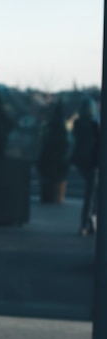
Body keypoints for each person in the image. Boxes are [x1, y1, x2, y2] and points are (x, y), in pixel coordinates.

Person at [71, 97, 100, 236]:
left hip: (82, 163)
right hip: (92, 164)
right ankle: (87, 224)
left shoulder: (77, 125)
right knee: (92, 195)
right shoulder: (93, 126)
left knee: (92, 194)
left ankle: (89, 223)